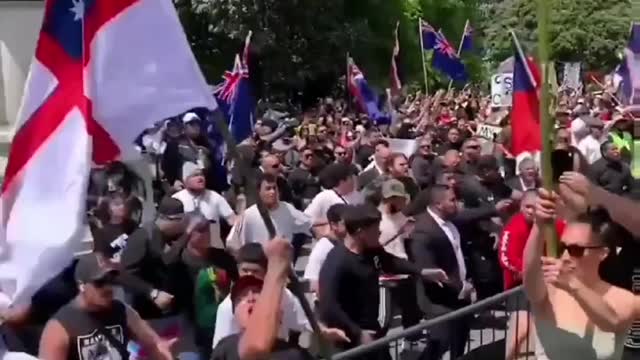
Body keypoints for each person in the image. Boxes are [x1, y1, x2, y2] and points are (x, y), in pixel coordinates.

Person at [318, 204, 447, 360]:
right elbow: (329, 306)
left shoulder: (371, 252)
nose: (380, 231)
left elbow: (390, 262)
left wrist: (422, 272)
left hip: (374, 337)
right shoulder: (338, 262)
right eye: (375, 228)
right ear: (360, 232)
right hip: (350, 343)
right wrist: (358, 333)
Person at [523, 188, 633, 360]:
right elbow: (529, 275)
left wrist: (573, 285)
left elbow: (611, 322)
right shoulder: (548, 291)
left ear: (603, 253)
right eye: (563, 248)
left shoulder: (623, 298)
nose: (566, 256)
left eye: (576, 250)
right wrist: (539, 225)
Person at [38, 254, 174, 360]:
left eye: (111, 281)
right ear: (82, 285)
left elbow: (153, 344)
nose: (108, 288)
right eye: (100, 282)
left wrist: (161, 352)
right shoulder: (60, 327)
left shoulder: (122, 311)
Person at [210, 239, 313, 360]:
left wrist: (323, 331)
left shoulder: (284, 295)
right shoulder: (227, 308)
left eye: (255, 271)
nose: (249, 275)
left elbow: (305, 322)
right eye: (244, 270)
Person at [407, 185, 474, 360]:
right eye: (452, 200)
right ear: (438, 204)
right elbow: (428, 269)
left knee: (460, 337)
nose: (457, 203)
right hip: (438, 300)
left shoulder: (451, 222)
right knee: (440, 342)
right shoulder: (423, 231)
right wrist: (461, 288)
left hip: (461, 295)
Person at [228, 173, 312, 249]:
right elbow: (231, 243)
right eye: (268, 189)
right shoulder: (248, 215)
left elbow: (310, 224)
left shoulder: (287, 208)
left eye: (274, 188)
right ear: (259, 191)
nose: (272, 192)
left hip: (282, 261)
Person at [172, 162, 236, 248]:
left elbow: (232, 220)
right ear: (185, 180)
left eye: (201, 175)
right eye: (195, 175)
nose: (200, 178)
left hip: (212, 247)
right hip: (185, 249)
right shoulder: (177, 199)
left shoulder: (215, 197)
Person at [304, 163, 363, 238]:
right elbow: (305, 219)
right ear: (342, 181)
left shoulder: (359, 196)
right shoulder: (325, 196)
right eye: (350, 177)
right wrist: (331, 222)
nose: (354, 180)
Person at [303, 204, 349, 294]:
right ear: (334, 225)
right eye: (346, 223)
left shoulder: (348, 245)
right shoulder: (322, 249)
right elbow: (314, 285)